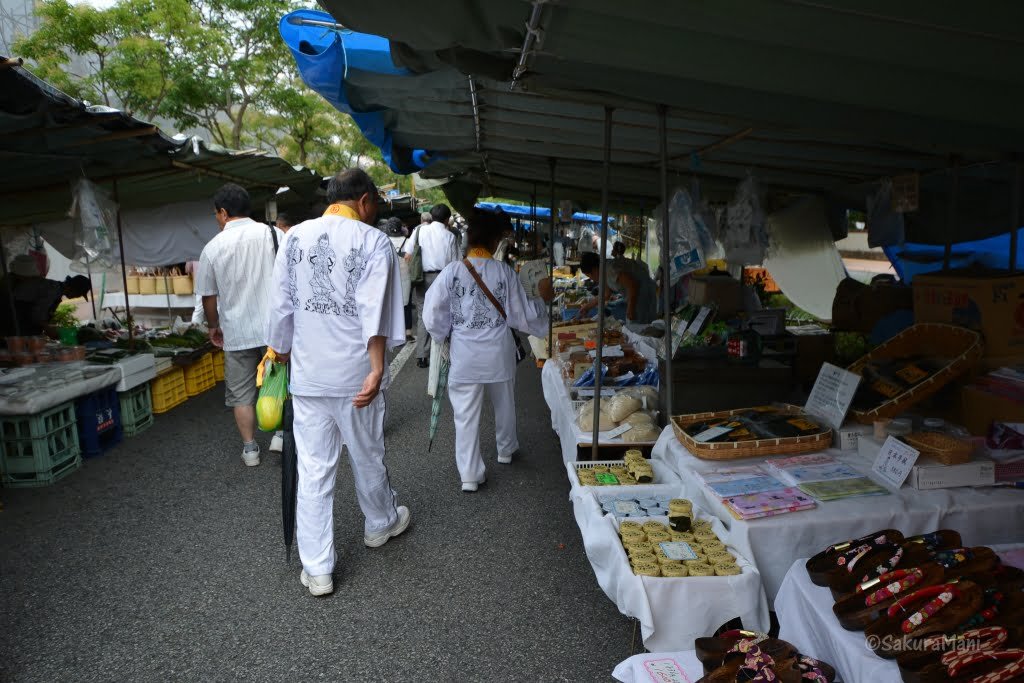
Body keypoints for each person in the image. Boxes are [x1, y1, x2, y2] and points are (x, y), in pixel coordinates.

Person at [266, 168, 410, 597]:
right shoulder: (373, 241)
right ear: (364, 201)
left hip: (309, 374)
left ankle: (319, 568)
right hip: (354, 375)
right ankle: (380, 524)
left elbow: (281, 306)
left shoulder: (294, 237)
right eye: (375, 205)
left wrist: (281, 350)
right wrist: (378, 367)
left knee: (314, 470)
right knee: (367, 454)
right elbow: (376, 312)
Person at [422, 210, 553, 493]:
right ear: (495, 241)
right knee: (504, 403)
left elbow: (432, 315)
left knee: (465, 417)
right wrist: (544, 310)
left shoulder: (452, 272)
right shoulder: (504, 272)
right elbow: (520, 316)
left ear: (468, 239)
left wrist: (444, 335)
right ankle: (506, 449)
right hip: (498, 353)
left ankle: (469, 474)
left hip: (464, 355)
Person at [195, 183, 283, 468]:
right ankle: (281, 435)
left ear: (223, 212)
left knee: (241, 392)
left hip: (237, 331)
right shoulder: (272, 234)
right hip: (275, 329)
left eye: (216, 215)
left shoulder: (212, 248)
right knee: (280, 382)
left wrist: (212, 326)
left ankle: (250, 450)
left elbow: (208, 296)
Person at [403, 203, 458, 368]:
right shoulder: (450, 236)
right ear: (447, 219)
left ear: (431, 216)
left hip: (422, 278)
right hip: (443, 278)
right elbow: (456, 263)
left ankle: (422, 356)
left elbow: (408, 253)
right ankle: (443, 353)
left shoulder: (419, 230)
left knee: (422, 314)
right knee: (444, 313)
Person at [0, 256, 92, 337]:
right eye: (79, 294)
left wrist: (49, 327)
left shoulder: (54, 288)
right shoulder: (52, 290)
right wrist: (48, 329)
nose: (76, 297)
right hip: (15, 326)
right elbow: (37, 315)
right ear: (74, 289)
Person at [577, 250, 658, 324]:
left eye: (590, 276)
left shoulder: (611, 269)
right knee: (633, 325)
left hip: (644, 295)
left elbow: (633, 284)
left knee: (640, 327)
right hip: (636, 295)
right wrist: (587, 307)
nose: (592, 279)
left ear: (594, 270)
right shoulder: (603, 271)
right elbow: (606, 294)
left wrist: (631, 308)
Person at [384, 217, 414, 338]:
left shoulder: (384, 240)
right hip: (405, 274)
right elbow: (411, 258)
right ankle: (408, 332)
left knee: (391, 303)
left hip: (389, 276)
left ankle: (392, 331)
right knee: (406, 304)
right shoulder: (407, 241)